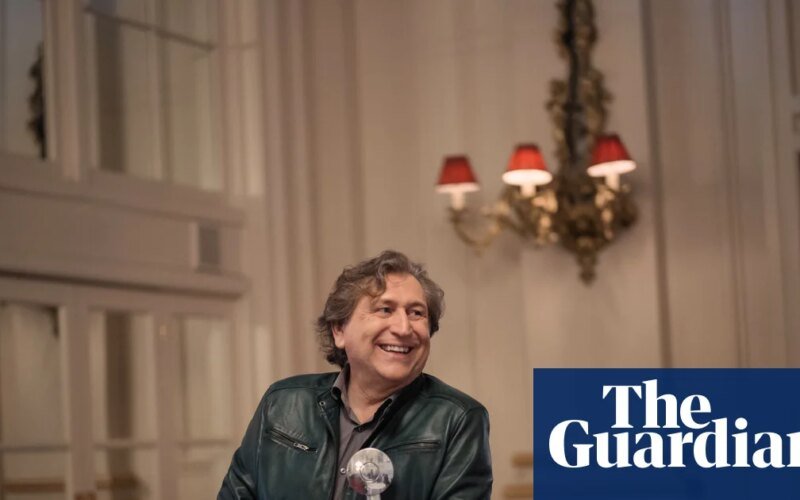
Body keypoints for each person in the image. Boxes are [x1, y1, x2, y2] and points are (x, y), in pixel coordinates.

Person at [218, 250, 492, 499]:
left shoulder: (458, 420)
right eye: (385, 309)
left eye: (416, 313)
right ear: (339, 330)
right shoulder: (283, 402)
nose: (403, 327)